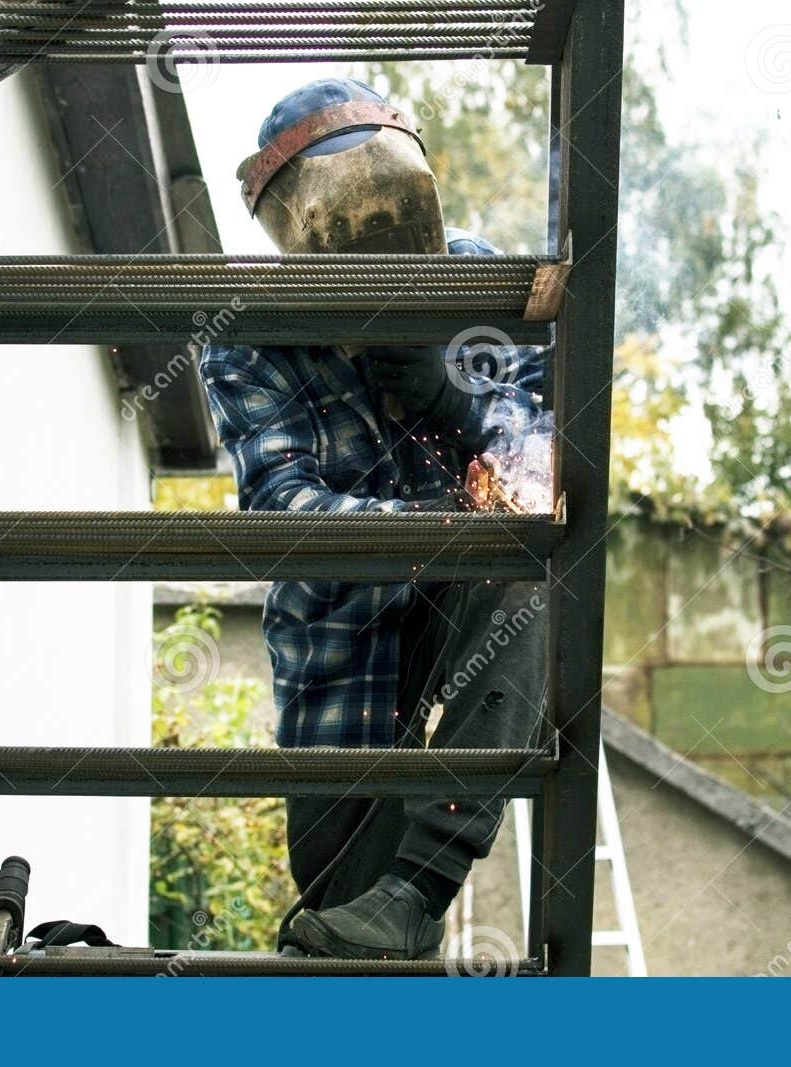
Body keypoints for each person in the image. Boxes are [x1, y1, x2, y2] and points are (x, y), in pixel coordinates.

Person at [199, 78, 550, 960]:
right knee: (340, 938)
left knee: (525, 561)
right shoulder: (252, 333)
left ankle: (418, 888)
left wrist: (455, 394)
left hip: (462, 606)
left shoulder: (480, 280)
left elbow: (541, 471)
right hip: (340, 651)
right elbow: (288, 511)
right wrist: (434, 521)